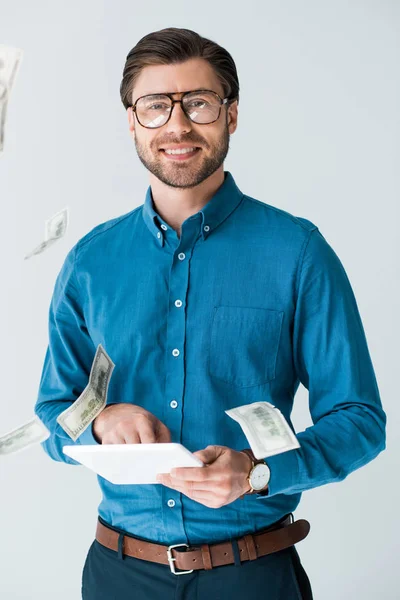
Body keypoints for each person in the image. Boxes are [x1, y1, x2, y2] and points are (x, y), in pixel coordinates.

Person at [34, 26, 386, 600]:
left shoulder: (297, 252)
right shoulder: (90, 262)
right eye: (156, 106)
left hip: (253, 575)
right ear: (132, 121)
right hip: (118, 575)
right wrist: (99, 421)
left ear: (232, 114)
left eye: (198, 103)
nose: (178, 125)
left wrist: (257, 472)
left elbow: (358, 419)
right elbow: (55, 412)